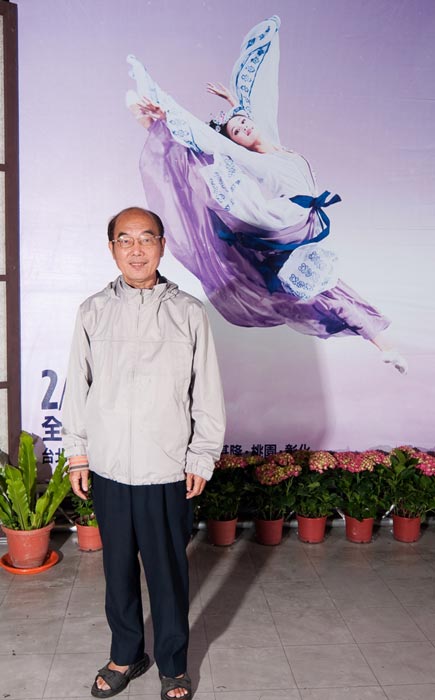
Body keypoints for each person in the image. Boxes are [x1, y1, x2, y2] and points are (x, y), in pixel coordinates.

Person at [125, 15, 407, 373]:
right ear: (237, 143)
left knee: (328, 289)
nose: (243, 128)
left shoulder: (275, 142)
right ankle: (153, 124)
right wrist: (169, 112)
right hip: (280, 220)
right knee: (214, 174)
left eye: (243, 122)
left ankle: (385, 346)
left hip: (303, 227)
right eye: (236, 131)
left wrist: (234, 100)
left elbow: (254, 107)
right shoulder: (251, 158)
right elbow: (211, 138)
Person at [62, 206, 226, 700]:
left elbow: (207, 392)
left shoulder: (189, 312)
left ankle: (173, 664)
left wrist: (201, 456)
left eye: (146, 238)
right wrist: (78, 453)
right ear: (111, 248)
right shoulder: (93, 311)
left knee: (168, 573)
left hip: (166, 467)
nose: (136, 249)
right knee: (117, 571)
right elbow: (77, 387)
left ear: (162, 245)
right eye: (125, 240)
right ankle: (126, 653)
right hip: (110, 466)